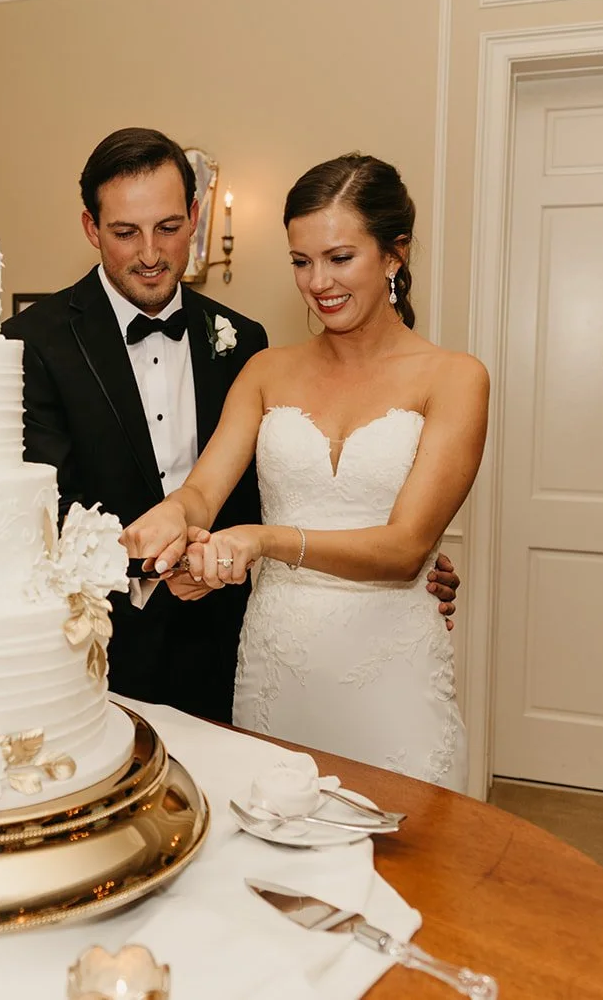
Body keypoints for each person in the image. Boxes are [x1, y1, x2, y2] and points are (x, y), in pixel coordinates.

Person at [3, 129, 459, 724]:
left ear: (194, 218)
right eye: (125, 232)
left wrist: (413, 558)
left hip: (231, 631)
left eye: (168, 227)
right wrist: (164, 559)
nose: (150, 252)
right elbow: (36, 510)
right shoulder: (30, 342)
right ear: (92, 229)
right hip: (101, 639)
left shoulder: (243, 340)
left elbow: (271, 494)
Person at [121, 152, 486, 791]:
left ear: (394, 255)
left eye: (340, 258)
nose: (318, 282)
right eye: (300, 261)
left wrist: (263, 540)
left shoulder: (454, 379)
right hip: (277, 659)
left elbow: (405, 550)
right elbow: (204, 491)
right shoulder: (265, 370)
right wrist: (172, 520)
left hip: (392, 665)